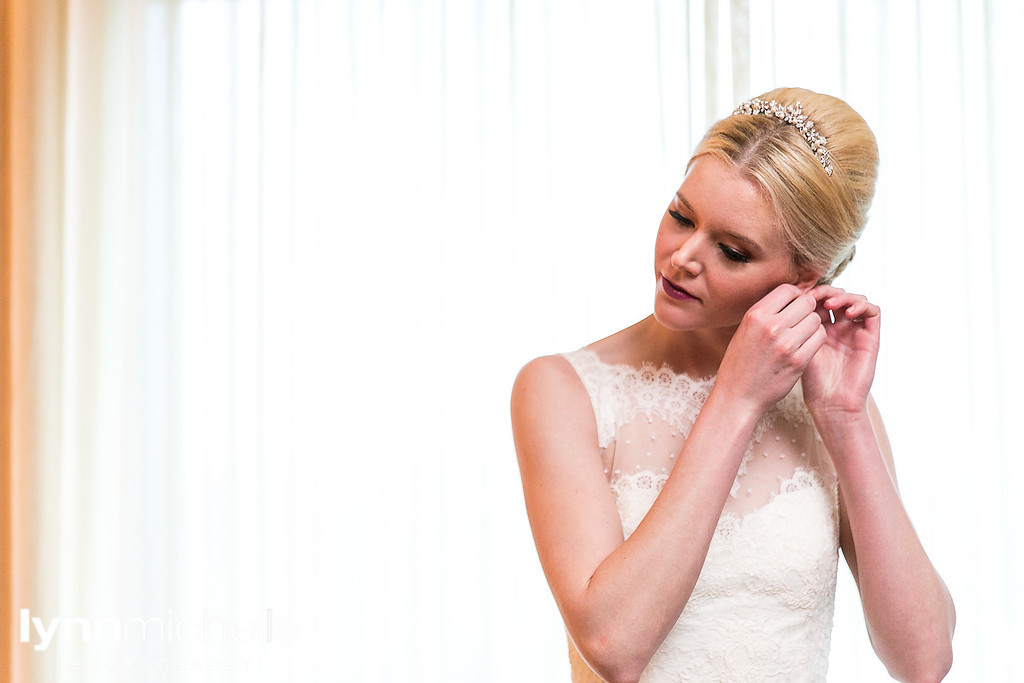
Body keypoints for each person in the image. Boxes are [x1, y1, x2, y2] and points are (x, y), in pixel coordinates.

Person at [510, 87, 955, 683]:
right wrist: (737, 398)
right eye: (680, 215)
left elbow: (925, 661)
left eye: (732, 250)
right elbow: (614, 646)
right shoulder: (561, 390)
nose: (684, 257)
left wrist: (845, 421)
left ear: (806, 275)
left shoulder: (833, 407)